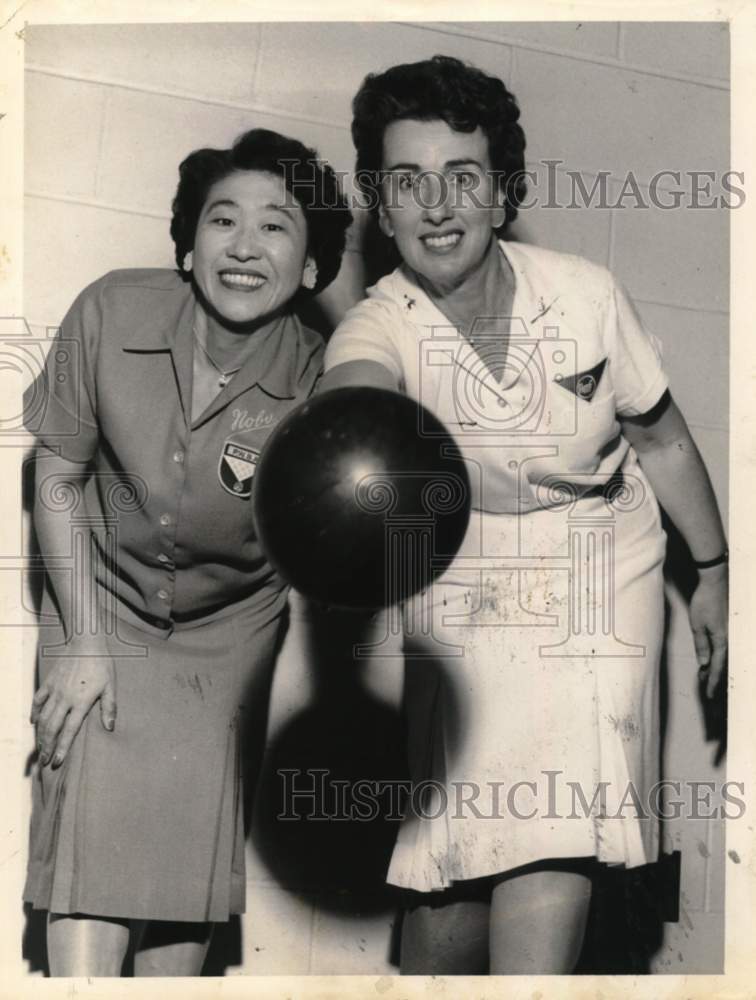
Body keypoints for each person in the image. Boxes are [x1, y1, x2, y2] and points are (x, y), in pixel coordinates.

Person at [321, 55, 728, 974]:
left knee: (559, 821)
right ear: (379, 209)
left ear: (503, 194)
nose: (437, 205)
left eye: (462, 177)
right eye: (407, 183)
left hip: (602, 558)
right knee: (459, 850)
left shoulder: (584, 293)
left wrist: (713, 570)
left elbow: (659, 439)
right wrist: (349, 423)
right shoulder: (376, 326)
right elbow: (354, 400)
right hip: (464, 571)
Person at [23, 127, 351, 976]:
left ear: (312, 266)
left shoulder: (323, 379)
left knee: (179, 886)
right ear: (187, 241)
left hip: (227, 635)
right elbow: (57, 473)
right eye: (222, 220)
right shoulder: (110, 310)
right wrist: (86, 641)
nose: (244, 246)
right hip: (99, 604)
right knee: (88, 866)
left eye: (277, 226)